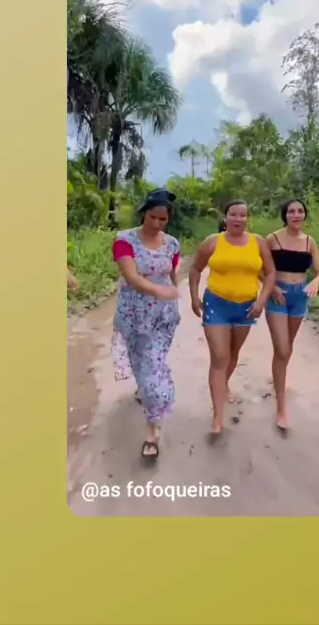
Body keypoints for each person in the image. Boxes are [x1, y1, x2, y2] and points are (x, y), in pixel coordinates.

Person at [189, 200, 276, 436]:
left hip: (246, 307)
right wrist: (194, 297)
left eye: (242, 215)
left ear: (248, 218)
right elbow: (195, 268)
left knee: (233, 353)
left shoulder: (258, 242)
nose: (238, 219)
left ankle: (223, 384)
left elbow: (270, 274)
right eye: (233, 214)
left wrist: (261, 301)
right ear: (225, 217)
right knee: (220, 356)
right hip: (216, 304)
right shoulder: (213, 241)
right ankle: (218, 416)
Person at [111, 188, 180, 459]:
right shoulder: (124, 240)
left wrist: (174, 299)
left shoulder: (172, 244)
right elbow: (132, 277)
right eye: (153, 217)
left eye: (163, 219)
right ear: (144, 213)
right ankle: (146, 390)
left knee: (153, 368)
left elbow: (172, 274)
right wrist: (160, 291)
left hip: (163, 316)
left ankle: (152, 428)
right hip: (134, 314)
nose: (157, 224)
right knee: (142, 364)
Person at [265, 199, 319, 430]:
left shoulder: (309, 242)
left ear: (305, 215)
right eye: (291, 211)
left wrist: (316, 282)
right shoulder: (273, 239)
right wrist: (271, 287)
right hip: (277, 296)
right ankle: (281, 407)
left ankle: (278, 379)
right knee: (282, 348)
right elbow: (260, 268)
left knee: (287, 347)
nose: (296, 215)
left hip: (300, 296)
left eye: (300, 211)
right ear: (285, 215)